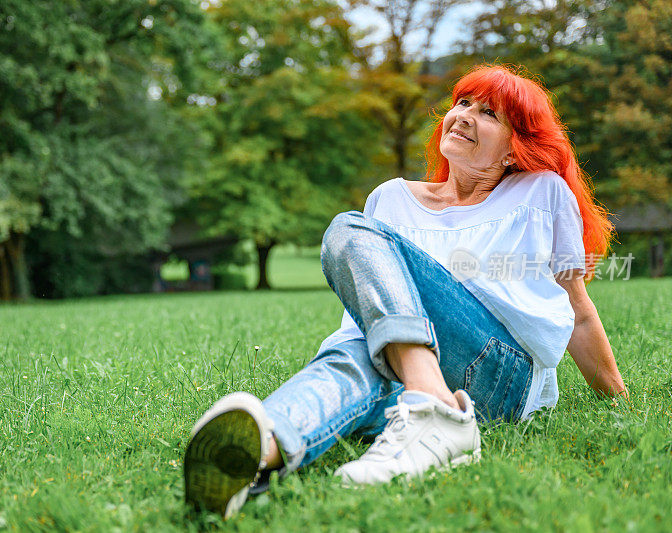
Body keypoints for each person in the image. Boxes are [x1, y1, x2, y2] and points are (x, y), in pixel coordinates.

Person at [183, 64, 628, 518]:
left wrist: (621, 403)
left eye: (490, 113)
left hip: (499, 373)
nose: (465, 116)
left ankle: (430, 402)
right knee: (357, 358)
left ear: (516, 150)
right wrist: (348, 359)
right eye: (462, 104)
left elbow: (578, 308)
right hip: (407, 363)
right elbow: (368, 319)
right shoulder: (390, 198)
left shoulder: (541, 192)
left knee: (349, 231)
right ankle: (254, 456)